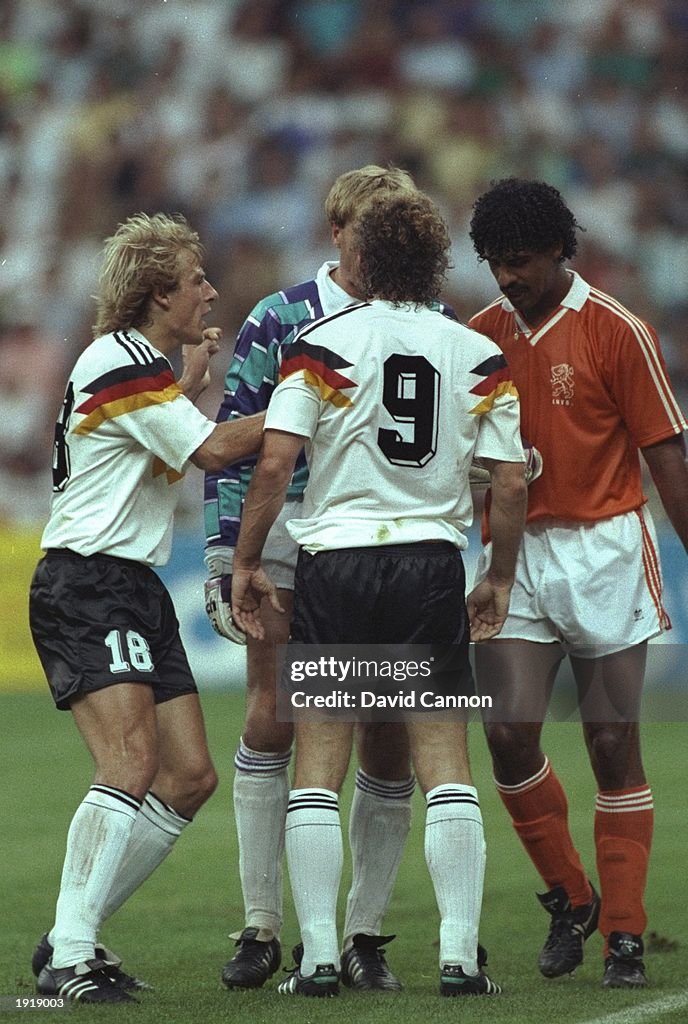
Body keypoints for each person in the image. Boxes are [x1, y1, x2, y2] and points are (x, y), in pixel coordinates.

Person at [230, 190, 528, 997]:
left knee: (319, 763)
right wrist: (497, 576)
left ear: (359, 260)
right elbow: (507, 476)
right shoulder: (474, 352)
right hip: (430, 564)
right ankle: (461, 958)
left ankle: (320, 958)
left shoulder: (323, 344)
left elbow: (273, 462)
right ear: (436, 264)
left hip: (337, 565)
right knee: (445, 762)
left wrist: (246, 561)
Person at [203, 165, 458, 991]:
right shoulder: (282, 317)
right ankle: (261, 924)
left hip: (373, 542)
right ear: (337, 231)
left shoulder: (432, 318)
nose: (377, 236)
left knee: (385, 732)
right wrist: (224, 555)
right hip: (288, 537)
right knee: (275, 720)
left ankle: (363, 933)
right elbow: (234, 442)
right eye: (366, 223)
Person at [28, 212, 266, 1004]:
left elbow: (158, 455)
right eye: (196, 278)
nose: (209, 290)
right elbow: (210, 452)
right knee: (128, 766)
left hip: (132, 586)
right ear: (158, 292)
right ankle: (71, 950)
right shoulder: (121, 359)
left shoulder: (136, 368)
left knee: (190, 775)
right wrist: (317, 400)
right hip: (89, 583)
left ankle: (75, 925)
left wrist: (189, 386)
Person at [467, 177, 688, 989]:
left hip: (603, 550)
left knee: (609, 741)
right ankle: (571, 895)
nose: (504, 278)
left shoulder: (619, 331)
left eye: (518, 261)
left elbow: (668, 456)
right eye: (493, 262)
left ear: (561, 249)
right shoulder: (478, 336)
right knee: (506, 732)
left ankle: (624, 936)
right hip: (514, 557)